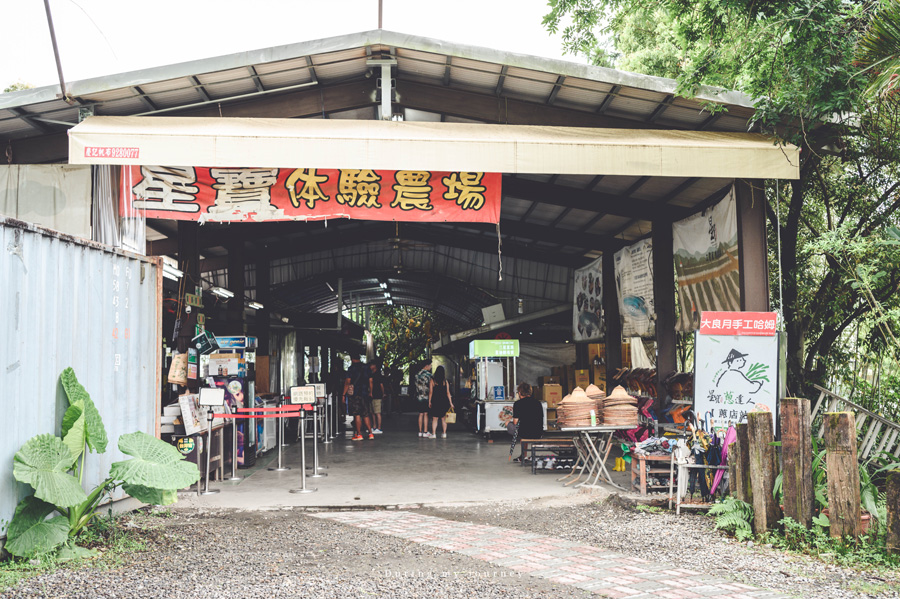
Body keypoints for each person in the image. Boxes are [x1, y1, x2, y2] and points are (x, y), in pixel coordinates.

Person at [508, 382, 544, 462]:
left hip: (524, 433)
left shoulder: (518, 404)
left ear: (519, 393)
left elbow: (515, 422)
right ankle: (525, 455)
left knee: (510, 425)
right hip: (538, 432)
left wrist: (508, 423)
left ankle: (523, 455)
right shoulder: (538, 403)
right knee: (527, 427)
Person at [343, 354, 374, 441]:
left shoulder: (351, 368)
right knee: (365, 413)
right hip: (365, 393)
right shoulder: (367, 368)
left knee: (357, 414)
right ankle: (370, 433)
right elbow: (371, 381)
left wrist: (343, 394)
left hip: (355, 394)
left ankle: (359, 434)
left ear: (352, 359)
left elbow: (347, 382)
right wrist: (370, 392)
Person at [428, 365, 454, 438]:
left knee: (435, 418)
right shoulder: (445, 382)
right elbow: (448, 393)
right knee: (444, 419)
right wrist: (451, 403)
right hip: (444, 401)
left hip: (435, 401)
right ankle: (444, 433)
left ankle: (434, 434)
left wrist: (429, 401)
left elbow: (430, 392)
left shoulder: (432, 381)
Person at [415, 362, 433, 437]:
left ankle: (420, 431)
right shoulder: (429, 375)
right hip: (426, 397)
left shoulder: (417, 375)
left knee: (420, 414)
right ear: (426, 365)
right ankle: (425, 431)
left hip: (419, 396)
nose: (431, 367)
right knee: (426, 414)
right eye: (430, 365)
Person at [369, 361, 385, 434]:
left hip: (377, 395)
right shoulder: (372, 374)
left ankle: (379, 428)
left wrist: (383, 393)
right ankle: (374, 427)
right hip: (373, 396)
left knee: (377, 412)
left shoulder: (378, 375)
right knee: (372, 412)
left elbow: (381, 385)